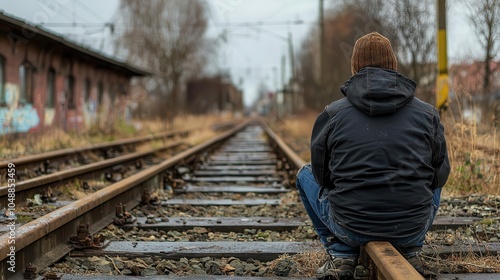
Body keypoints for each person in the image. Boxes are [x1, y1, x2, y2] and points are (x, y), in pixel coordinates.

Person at [296, 32, 450, 280]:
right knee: (434, 169)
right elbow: (441, 176)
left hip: (350, 227)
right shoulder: (428, 114)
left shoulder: (332, 114)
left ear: (355, 67)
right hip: (412, 227)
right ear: (393, 65)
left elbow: (322, 177)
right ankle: (411, 248)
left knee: (304, 175)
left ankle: (341, 253)